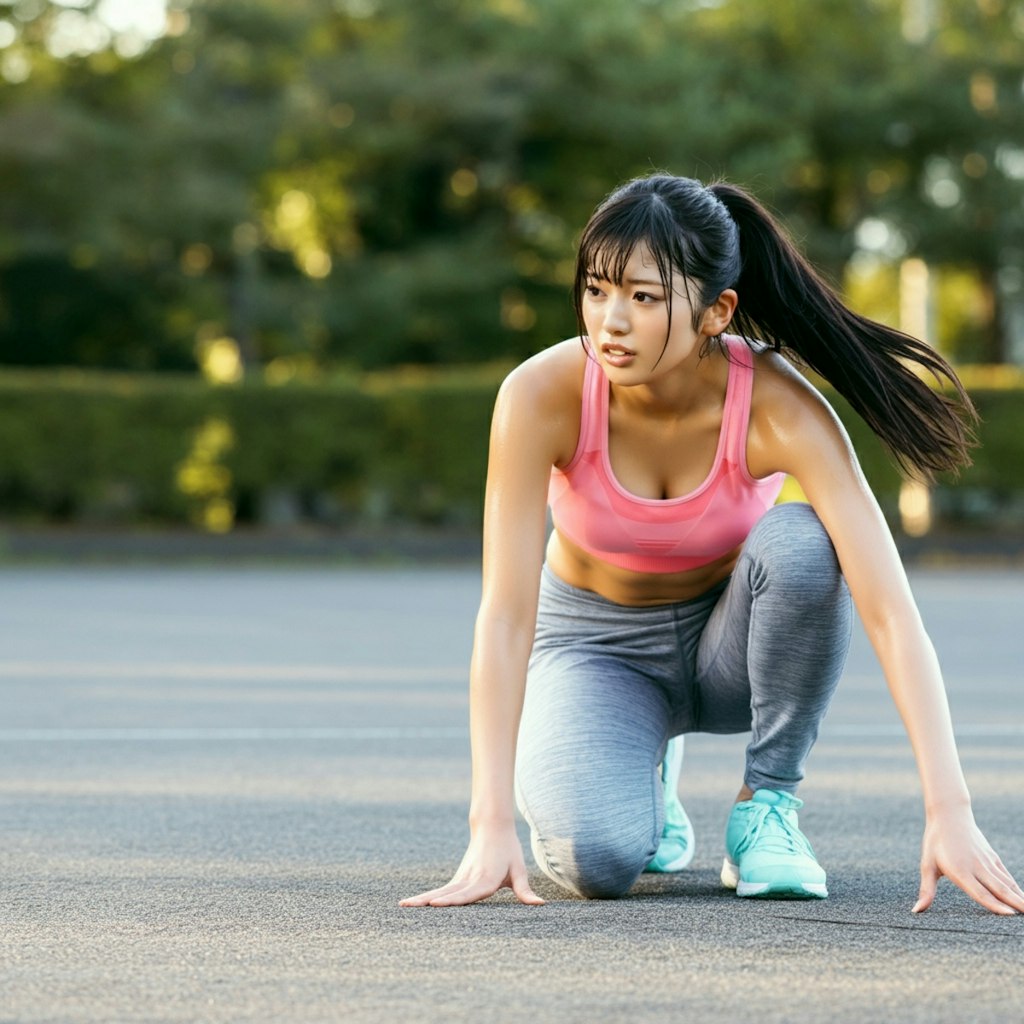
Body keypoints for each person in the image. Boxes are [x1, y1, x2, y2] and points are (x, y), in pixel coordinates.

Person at [400, 173, 1024, 913]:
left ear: (714, 311)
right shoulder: (541, 394)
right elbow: (505, 616)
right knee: (596, 862)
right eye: (596, 290)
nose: (610, 322)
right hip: (596, 651)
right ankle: (644, 772)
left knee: (804, 542)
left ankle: (767, 804)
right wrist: (489, 823)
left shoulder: (777, 404)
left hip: (730, 645)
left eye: (643, 296)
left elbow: (891, 611)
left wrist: (949, 811)